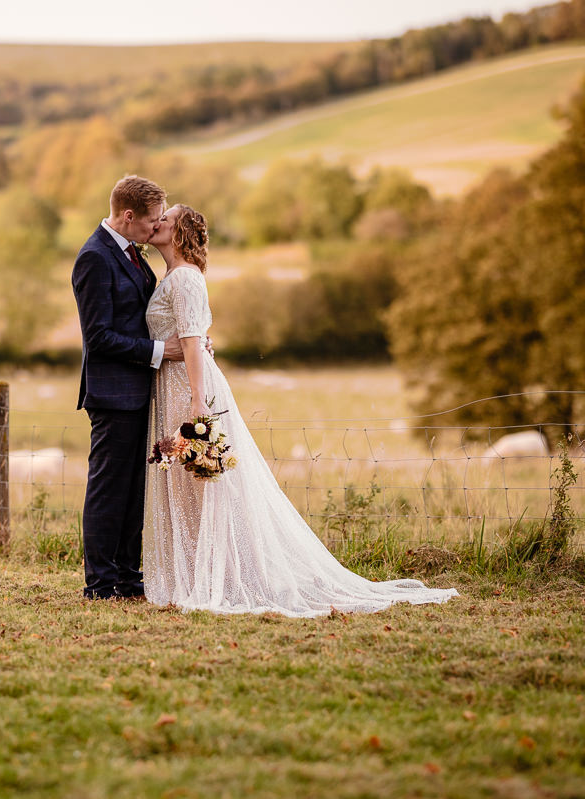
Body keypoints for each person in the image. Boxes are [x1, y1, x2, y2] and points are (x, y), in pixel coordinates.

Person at [142, 204, 458, 617]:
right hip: (175, 384)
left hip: (189, 390)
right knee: (190, 487)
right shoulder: (176, 277)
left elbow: (191, 341)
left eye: (167, 217)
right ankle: (195, 572)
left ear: (179, 231)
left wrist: (199, 402)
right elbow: (194, 337)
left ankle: (218, 577)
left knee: (205, 486)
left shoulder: (184, 278)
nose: (158, 220)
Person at [72, 175, 182, 600]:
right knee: (108, 488)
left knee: (134, 488)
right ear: (129, 215)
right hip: (113, 393)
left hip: (138, 391)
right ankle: (100, 582)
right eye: (152, 221)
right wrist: (160, 351)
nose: (156, 228)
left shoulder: (132, 253)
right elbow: (97, 337)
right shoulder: (94, 258)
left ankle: (127, 575)